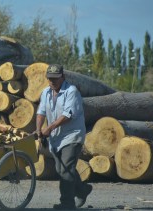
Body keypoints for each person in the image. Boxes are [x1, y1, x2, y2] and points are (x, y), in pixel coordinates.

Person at [35, 64, 92, 210]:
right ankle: (82, 189)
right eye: (50, 79)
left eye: (55, 78)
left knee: (66, 169)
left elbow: (68, 114)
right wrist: (38, 129)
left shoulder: (71, 91)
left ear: (63, 77)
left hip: (72, 136)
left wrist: (49, 127)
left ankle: (67, 204)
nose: (52, 82)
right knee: (62, 170)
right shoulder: (46, 92)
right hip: (56, 138)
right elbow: (41, 112)